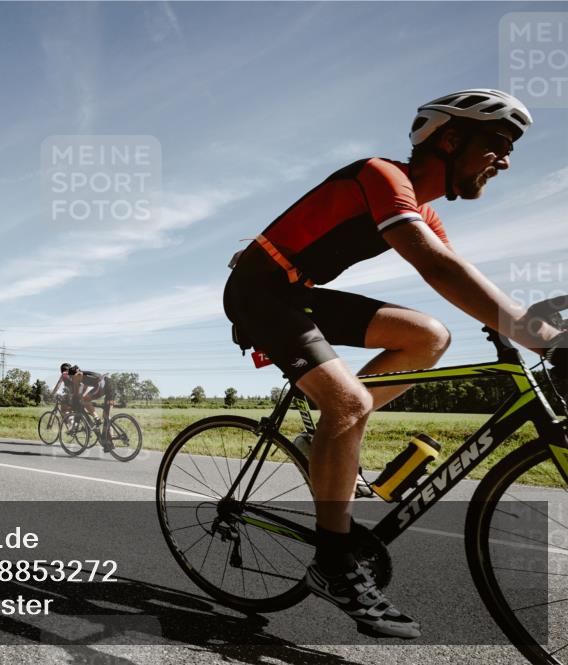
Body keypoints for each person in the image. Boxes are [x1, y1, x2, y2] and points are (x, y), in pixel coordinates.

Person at [223, 89, 567, 638]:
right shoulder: (380, 174)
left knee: (430, 335)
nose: (505, 161)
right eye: (499, 144)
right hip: (258, 292)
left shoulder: (423, 210)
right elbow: (434, 266)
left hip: (298, 293)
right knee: (349, 401)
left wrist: (520, 330)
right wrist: (544, 341)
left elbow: (455, 270)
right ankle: (333, 563)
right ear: (450, 139)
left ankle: (325, 439)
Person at [67, 365, 116, 452]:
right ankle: (110, 442)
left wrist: (74, 400)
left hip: (102, 384)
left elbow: (76, 393)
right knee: (106, 417)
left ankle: (96, 418)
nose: (71, 379)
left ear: (73, 375)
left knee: (85, 400)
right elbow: (82, 391)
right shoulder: (84, 376)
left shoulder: (77, 376)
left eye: (71, 377)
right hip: (110, 384)